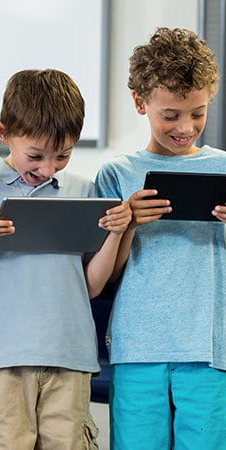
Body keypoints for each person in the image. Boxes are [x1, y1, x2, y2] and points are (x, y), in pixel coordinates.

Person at [0, 69, 131, 449]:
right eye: (35, 155)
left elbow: (90, 286)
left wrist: (115, 232)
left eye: (63, 156)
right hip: (0, 356)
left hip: (71, 354)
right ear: (3, 132)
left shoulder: (85, 191)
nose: (48, 169)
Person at [95, 27, 226, 449]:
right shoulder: (116, 175)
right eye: (170, 114)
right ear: (140, 102)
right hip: (137, 347)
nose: (185, 127)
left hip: (210, 350)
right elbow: (103, 278)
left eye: (198, 112)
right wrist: (128, 223)